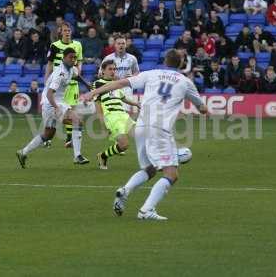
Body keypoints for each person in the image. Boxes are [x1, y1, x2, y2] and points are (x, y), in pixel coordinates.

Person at [82, 49, 207, 220]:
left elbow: (120, 84)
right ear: (181, 63)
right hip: (159, 129)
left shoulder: (151, 74)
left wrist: (93, 92)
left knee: (149, 169)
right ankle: (146, 210)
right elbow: (202, 108)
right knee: (171, 174)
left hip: (141, 126)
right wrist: (200, 108)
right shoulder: (185, 82)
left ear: (165, 61)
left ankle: (125, 190)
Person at [16, 48, 90, 167]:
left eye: (74, 57)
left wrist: (87, 85)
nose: (73, 60)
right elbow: (50, 93)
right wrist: (57, 107)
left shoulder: (71, 69)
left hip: (55, 102)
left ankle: (23, 152)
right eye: (70, 57)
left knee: (48, 134)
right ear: (64, 58)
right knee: (77, 121)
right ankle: (77, 156)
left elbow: (76, 76)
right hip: (51, 103)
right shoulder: (59, 73)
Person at [94, 60, 140, 170]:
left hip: (123, 115)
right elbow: (97, 104)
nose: (113, 71)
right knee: (124, 145)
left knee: (140, 135)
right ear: (103, 71)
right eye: (110, 69)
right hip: (111, 116)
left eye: (114, 69)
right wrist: (102, 121)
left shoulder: (116, 84)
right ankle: (103, 156)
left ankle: (152, 162)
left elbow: (123, 98)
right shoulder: (98, 83)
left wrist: (136, 103)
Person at [46, 22, 85, 148]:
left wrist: (78, 71)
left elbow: (79, 61)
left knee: (71, 109)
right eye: (65, 30)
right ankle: (47, 137)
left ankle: (69, 138)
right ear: (60, 32)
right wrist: (47, 79)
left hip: (72, 83)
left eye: (69, 30)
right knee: (55, 111)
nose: (67, 32)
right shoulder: (55, 45)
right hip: (58, 83)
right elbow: (50, 64)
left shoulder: (77, 45)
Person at [101, 34, 140, 108]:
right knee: (113, 111)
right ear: (114, 45)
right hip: (112, 87)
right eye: (118, 44)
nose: (121, 46)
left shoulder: (132, 58)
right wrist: (111, 76)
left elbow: (137, 72)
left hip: (126, 88)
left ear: (126, 45)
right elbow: (100, 73)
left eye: (123, 43)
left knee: (126, 112)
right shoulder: (108, 58)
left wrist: (132, 77)